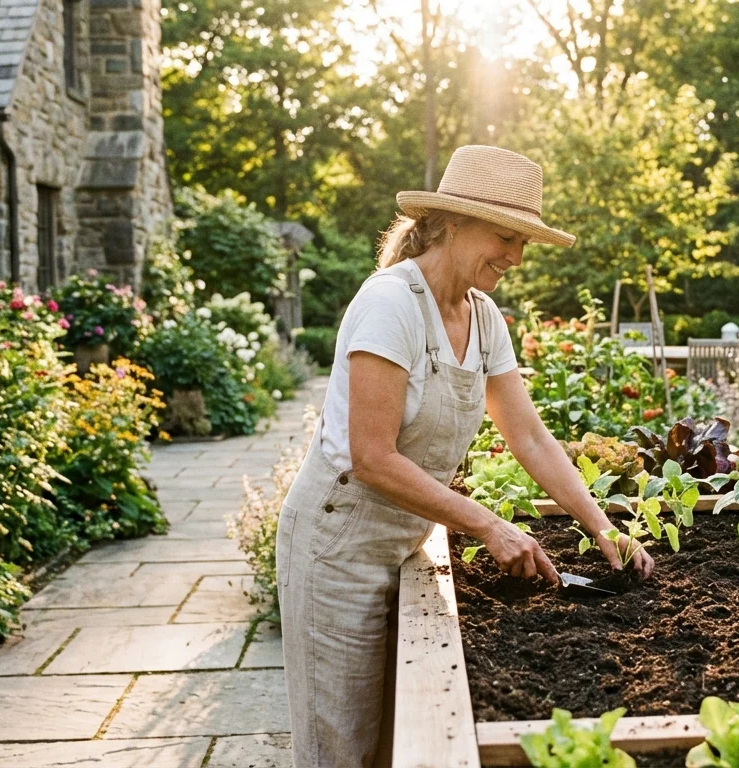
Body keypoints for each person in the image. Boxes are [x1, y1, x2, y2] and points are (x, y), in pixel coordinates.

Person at [276, 145, 655, 767]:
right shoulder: (391, 303)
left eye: (523, 243)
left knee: (386, 746)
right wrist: (485, 522)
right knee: (339, 749)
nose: (515, 257)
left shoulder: (482, 316)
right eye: (505, 237)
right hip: (336, 550)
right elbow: (370, 457)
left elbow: (529, 437)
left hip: (403, 542)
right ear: (453, 222)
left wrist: (602, 527)